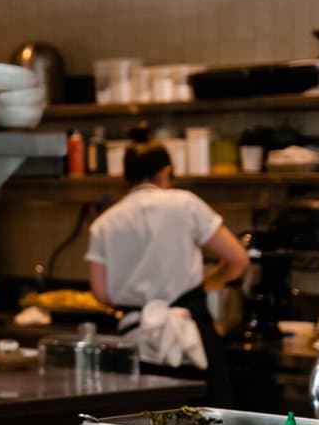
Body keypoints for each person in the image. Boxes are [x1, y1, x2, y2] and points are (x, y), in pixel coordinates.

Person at [87, 140, 249, 405]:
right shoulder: (185, 203)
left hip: (134, 340)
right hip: (191, 333)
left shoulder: (104, 223)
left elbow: (101, 292)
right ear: (166, 171)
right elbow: (238, 259)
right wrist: (209, 283)